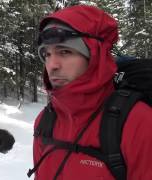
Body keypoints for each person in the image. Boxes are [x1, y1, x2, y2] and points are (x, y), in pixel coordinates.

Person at [32, 5, 152, 180]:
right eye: (47, 54)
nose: (52, 65)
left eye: (65, 51)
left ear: (95, 56)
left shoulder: (138, 122)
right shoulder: (45, 120)